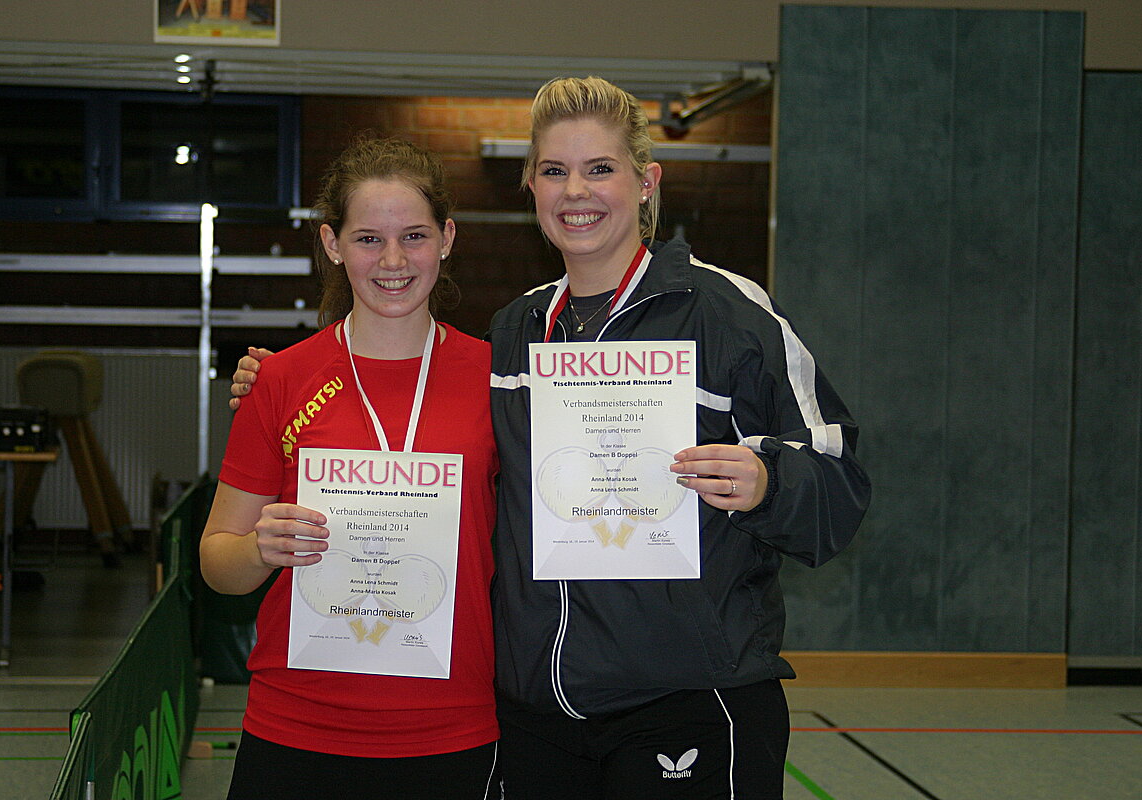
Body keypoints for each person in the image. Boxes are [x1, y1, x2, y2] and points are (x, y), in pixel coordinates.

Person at [232, 77, 870, 800]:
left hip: (686, 701)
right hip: (538, 718)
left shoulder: (727, 313)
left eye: (600, 168)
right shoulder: (516, 333)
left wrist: (767, 481)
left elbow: (840, 482)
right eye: (555, 170)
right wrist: (278, 379)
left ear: (646, 183)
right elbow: (413, 396)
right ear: (530, 185)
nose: (576, 192)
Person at [203, 136, 500, 800]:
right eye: (368, 239)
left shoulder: (498, 379)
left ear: (447, 238)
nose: (393, 261)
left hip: (453, 727)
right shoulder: (280, 380)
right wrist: (259, 548)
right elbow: (217, 564)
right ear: (332, 244)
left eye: (414, 236)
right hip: (296, 726)